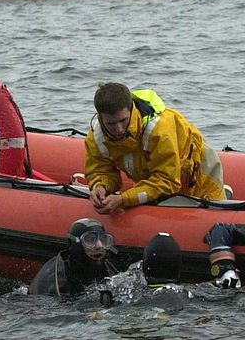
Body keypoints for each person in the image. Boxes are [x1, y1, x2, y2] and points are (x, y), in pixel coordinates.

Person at [85, 83, 225, 215]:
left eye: (123, 120)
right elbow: (100, 169)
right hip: (152, 177)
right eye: (111, 123)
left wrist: (125, 199)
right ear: (100, 117)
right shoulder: (97, 137)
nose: (119, 129)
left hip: (199, 170)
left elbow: (167, 181)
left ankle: (226, 194)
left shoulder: (158, 130)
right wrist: (100, 186)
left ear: (131, 109)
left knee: (215, 220)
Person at [29, 218, 119, 300]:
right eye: (90, 240)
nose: (99, 246)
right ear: (74, 245)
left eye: (103, 239)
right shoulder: (56, 281)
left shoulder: (108, 269)